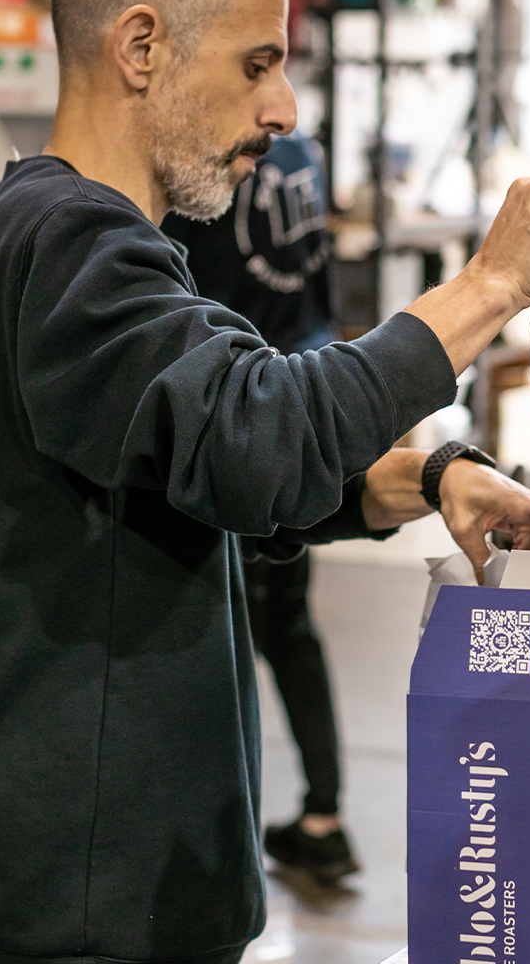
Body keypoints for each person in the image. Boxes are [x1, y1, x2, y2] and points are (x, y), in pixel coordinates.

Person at [0, 0, 530, 964]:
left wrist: (422, 475)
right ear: (141, 46)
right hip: (65, 925)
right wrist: (489, 286)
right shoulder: (70, 246)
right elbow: (255, 435)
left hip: (100, 907)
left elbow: (202, 476)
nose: (285, 111)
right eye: (259, 63)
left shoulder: (83, 250)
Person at [164, 133, 356, 882]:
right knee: (287, 625)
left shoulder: (203, 172)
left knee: (228, 628)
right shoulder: (303, 152)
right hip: (301, 389)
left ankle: (224, 843)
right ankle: (323, 816)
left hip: (247, 414)